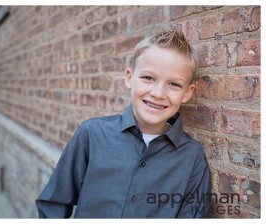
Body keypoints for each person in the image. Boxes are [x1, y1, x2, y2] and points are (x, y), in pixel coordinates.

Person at [36, 29, 211, 218]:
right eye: (148, 78)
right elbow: (53, 204)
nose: (159, 93)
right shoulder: (91, 135)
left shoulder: (192, 156)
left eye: (174, 84)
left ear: (187, 92)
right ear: (129, 78)